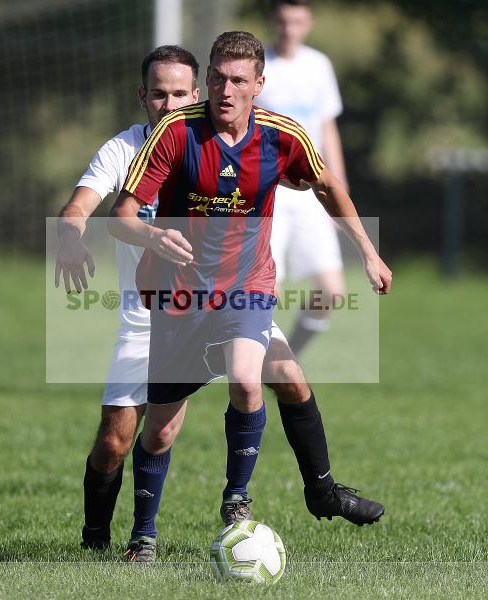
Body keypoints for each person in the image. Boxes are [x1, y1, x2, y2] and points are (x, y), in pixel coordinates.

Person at [57, 46, 387, 559]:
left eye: (179, 94)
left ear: (197, 92)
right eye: (158, 94)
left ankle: (307, 492)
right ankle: (102, 537)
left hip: (236, 293)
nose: (169, 104)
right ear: (143, 96)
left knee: (282, 376)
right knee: (126, 439)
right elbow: (83, 207)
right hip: (155, 311)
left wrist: (366, 249)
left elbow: (314, 180)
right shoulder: (129, 149)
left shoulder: (238, 133)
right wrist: (70, 236)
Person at [256, 0, 347, 355]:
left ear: (308, 23)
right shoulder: (258, 66)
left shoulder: (318, 65)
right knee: (267, 290)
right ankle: (256, 361)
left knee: (332, 291)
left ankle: (286, 358)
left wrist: (339, 187)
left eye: (297, 21)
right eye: (283, 20)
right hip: (269, 190)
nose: (289, 28)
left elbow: (327, 127)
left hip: (311, 190)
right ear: (273, 21)